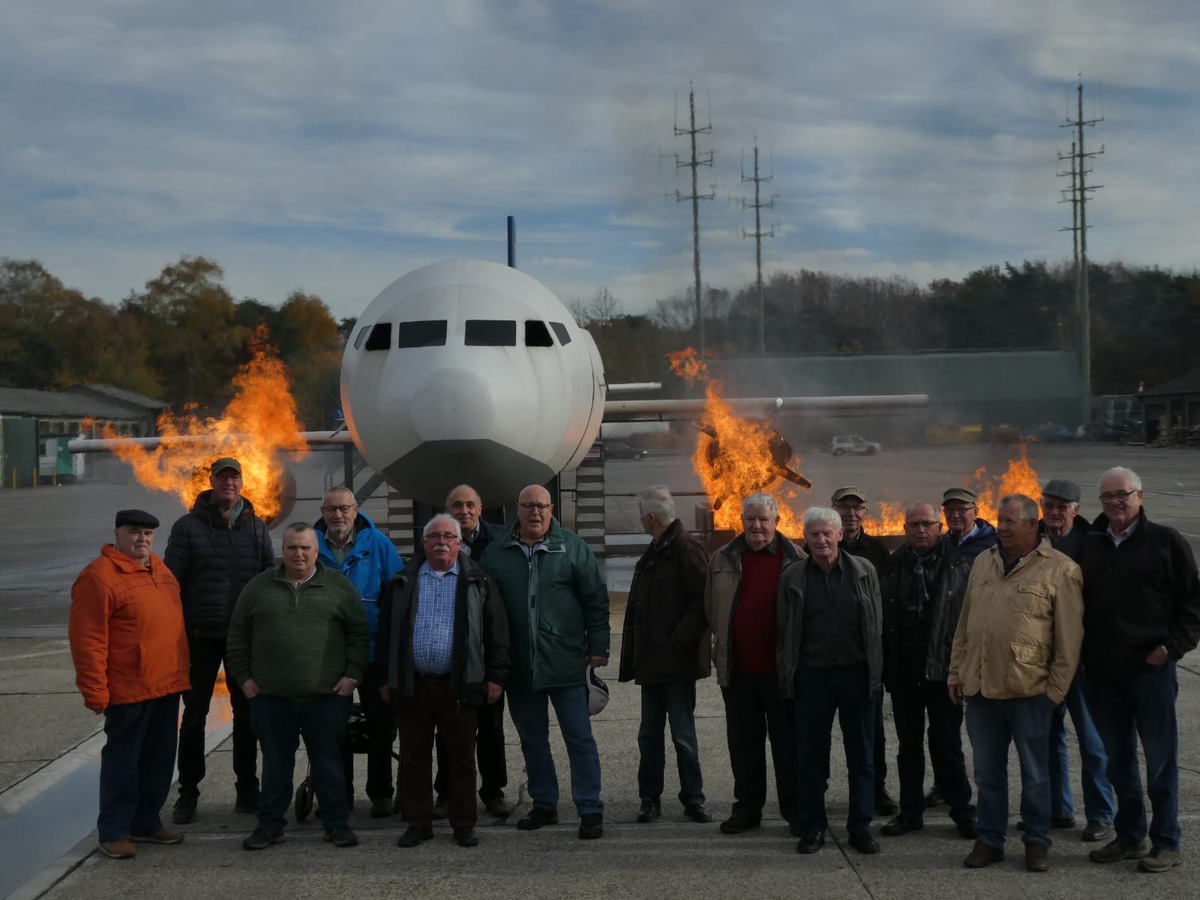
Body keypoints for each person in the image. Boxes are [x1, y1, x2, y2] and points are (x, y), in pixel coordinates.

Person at [949, 494, 1083, 873]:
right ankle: (989, 839)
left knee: (1036, 774)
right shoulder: (983, 561)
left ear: (1032, 525)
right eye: (1000, 520)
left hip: (1030, 693)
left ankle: (1036, 841)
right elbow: (965, 623)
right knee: (987, 773)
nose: (1002, 527)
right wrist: (957, 672)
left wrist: (1055, 691)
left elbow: (1069, 640)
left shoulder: (1061, 569)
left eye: (1010, 522)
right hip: (981, 689)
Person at [1080, 467, 1200, 873]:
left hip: (1150, 674)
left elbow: (1193, 605)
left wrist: (1170, 648)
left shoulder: (1166, 542)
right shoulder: (1092, 545)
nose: (1115, 502)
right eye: (1107, 496)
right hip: (1103, 675)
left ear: (1140, 496)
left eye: (1122, 494)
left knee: (1160, 762)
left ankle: (1167, 842)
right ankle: (1130, 836)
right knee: (1118, 762)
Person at [226, 523, 369, 851]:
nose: (299, 554)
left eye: (305, 548)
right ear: (283, 550)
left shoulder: (338, 587)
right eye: (292, 548)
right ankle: (270, 825)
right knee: (275, 764)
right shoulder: (258, 588)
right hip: (271, 698)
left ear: (316, 551)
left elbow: (359, 636)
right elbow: (237, 637)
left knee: (328, 763)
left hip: (327, 697)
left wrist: (352, 677)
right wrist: (244, 680)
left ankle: (336, 824)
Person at [478, 484, 610, 840]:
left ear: (552, 509)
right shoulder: (497, 554)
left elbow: (596, 599)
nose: (534, 513)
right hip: (520, 669)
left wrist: (598, 646)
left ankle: (590, 808)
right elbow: (485, 611)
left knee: (579, 739)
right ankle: (544, 804)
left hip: (565, 664)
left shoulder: (572, 547)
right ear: (516, 510)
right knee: (532, 741)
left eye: (541, 506)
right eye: (527, 506)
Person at [376, 514, 510, 849]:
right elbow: (386, 635)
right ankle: (418, 823)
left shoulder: (478, 581)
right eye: (434, 536)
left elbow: (497, 634)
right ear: (423, 543)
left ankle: (463, 823)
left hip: (460, 686)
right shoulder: (403, 580)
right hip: (414, 685)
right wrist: (385, 678)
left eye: (449, 536)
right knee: (414, 758)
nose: (441, 542)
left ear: (459, 542)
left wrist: (495, 678)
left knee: (462, 759)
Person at [69, 509, 191, 860]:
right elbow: (87, 638)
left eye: (148, 534)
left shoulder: (159, 569)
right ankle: (113, 831)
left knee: (159, 761)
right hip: (129, 690)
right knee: (123, 763)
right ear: (118, 535)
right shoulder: (98, 577)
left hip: (166, 684)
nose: (142, 539)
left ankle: (147, 823)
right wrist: (94, 689)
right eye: (134, 532)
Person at [166, 457, 275, 823]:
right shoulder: (186, 528)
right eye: (222, 477)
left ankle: (247, 790)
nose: (228, 483)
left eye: (234, 477)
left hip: (242, 639)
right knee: (194, 716)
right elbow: (171, 585)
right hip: (201, 636)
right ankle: (188, 793)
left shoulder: (257, 529)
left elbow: (267, 583)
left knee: (247, 716)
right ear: (211, 482)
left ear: (243, 483)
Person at [779, 507, 883, 855]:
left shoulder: (864, 571)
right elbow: (784, 630)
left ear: (840, 535)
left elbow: (876, 625)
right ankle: (812, 827)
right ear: (805, 538)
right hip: (812, 677)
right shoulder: (792, 576)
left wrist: (875, 673)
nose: (821, 540)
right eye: (814, 534)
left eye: (827, 533)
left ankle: (860, 828)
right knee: (810, 757)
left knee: (862, 757)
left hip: (856, 676)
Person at [704, 492, 804, 836]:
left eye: (763, 519)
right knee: (744, 748)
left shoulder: (797, 560)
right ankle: (747, 809)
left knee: (787, 748)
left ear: (777, 521)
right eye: (750, 519)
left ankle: (795, 810)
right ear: (741, 521)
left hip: (782, 675)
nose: (757, 526)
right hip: (739, 673)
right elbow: (709, 607)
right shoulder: (722, 559)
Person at [878, 503, 976, 840]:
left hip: (944, 674)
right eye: (914, 524)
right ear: (904, 529)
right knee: (908, 747)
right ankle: (910, 812)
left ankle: (962, 811)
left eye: (927, 524)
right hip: (904, 673)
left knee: (947, 744)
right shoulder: (891, 567)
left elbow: (970, 624)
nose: (920, 530)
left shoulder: (960, 566)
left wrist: (962, 671)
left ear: (939, 527)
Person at [619, 485, 712, 825]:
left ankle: (694, 799)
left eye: (641, 517)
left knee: (683, 736)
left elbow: (702, 599)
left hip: (675, 663)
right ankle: (649, 799)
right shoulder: (658, 549)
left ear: (650, 517)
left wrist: (678, 642)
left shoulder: (684, 549)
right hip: (653, 663)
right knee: (649, 736)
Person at [314, 485, 404, 818]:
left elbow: (396, 593)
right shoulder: (312, 544)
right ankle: (340, 794)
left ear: (355, 510)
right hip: (328, 656)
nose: (337, 515)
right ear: (323, 514)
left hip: (372, 653)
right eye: (330, 510)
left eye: (343, 509)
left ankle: (381, 793)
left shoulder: (378, 544)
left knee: (380, 725)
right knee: (334, 728)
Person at [1036, 479, 1114, 843]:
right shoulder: (1031, 540)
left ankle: (1100, 814)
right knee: (1047, 738)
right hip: (1041, 658)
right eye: (1049, 504)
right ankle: (1059, 809)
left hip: (1083, 659)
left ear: (1076, 510)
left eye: (1062, 506)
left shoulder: (1094, 544)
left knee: (1092, 741)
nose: (1054, 511)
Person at [430, 484, 514, 819]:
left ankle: (493, 791)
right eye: (456, 505)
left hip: (487, 649)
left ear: (480, 509)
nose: (463, 511)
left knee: (491, 728)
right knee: (447, 729)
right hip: (448, 652)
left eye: (469, 505)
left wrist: (499, 666)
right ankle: (446, 793)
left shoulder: (501, 542)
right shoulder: (437, 542)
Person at [830, 486, 896, 817]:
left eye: (857, 508)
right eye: (844, 507)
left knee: (871, 732)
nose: (850, 514)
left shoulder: (878, 552)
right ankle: (817, 790)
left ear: (865, 514)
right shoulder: (821, 545)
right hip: (826, 660)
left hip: (865, 660)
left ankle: (876, 788)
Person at [941, 488, 998, 563]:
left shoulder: (995, 544)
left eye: (962, 509)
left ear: (975, 512)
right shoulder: (940, 544)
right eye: (950, 509)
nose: (955, 515)